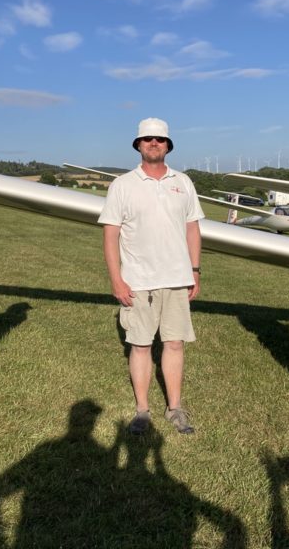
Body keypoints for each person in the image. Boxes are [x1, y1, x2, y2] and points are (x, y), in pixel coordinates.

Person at [98, 118, 204, 435]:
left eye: (160, 139)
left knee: (174, 344)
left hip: (176, 278)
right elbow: (110, 235)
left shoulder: (183, 182)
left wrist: (195, 270)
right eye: (147, 139)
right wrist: (116, 279)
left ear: (168, 145)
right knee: (141, 346)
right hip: (138, 281)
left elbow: (192, 228)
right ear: (138, 145)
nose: (153, 143)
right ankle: (142, 411)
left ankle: (175, 408)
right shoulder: (122, 185)